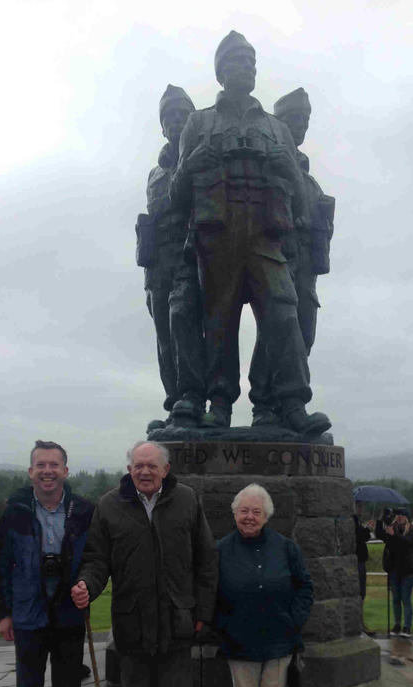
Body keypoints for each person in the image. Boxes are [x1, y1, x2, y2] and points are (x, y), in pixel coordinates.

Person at [170, 31, 330, 435]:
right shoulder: (199, 122)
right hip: (216, 236)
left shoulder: (276, 129)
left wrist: (287, 166)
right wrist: (190, 166)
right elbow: (175, 197)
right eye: (239, 62)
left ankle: (291, 402)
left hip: (265, 235)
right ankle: (219, 404)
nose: (248, 69)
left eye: (253, 63)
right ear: (222, 71)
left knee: (283, 312)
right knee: (218, 320)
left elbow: (300, 200)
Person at [71, 441, 217, 687]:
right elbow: (96, 559)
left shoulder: (187, 500)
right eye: (138, 465)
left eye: (151, 465)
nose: (145, 472)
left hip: (177, 622)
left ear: (165, 469)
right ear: (130, 468)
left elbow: (206, 558)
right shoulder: (109, 506)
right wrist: (88, 584)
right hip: (132, 624)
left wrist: (203, 609)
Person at [0, 440, 95, 687]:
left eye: (54, 465)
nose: (47, 471)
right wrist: (3, 612)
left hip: (69, 616)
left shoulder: (85, 510)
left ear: (66, 471)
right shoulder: (15, 511)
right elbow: (1, 564)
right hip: (29, 617)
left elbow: (95, 559)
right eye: (41, 465)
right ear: (31, 471)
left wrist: (88, 586)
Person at [214, 484, 313, 687]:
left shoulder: (286, 548)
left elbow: (304, 587)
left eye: (256, 512)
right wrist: (224, 624)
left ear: (266, 515)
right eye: (244, 511)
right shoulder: (220, 550)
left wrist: (292, 621)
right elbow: (209, 594)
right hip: (239, 642)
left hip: (278, 642)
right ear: (234, 513)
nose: (249, 517)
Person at [248, 87, 335, 425]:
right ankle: (267, 405)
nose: (301, 126)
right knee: (277, 330)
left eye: (305, 120)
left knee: (303, 334)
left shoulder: (309, 180)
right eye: (294, 119)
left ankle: (284, 407)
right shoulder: (267, 168)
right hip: (272, 258)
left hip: (305, 270)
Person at [136, 85, 206, 430]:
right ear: (162, 127)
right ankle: (174, 403)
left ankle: (192, 399)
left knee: (184, 322)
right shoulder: (155, 174)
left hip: (189, 258)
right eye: (169, 117)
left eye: (182, 115)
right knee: (164, 334)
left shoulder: (199, 160)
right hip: (157, 265)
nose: (176, 122)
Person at [376, 507, 413, 638]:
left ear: (407, 517)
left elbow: (407, 542)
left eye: (402, 515)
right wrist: (380, 520)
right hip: (394, 570)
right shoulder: (391, 530)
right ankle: (397, 624)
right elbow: (379, 535)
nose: (399, 517)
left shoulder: (412, 531)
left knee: (406, 599)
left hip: (408, 571)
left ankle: (407, 627)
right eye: (397, 515)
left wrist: (394, 535)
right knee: (396, 599)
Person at [353, 502, 376, 637]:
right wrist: (367, 529)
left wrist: (366, 529)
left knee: (362, 593)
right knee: (360, 593)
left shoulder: (356, 520)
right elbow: (359, 536)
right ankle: (360, 624)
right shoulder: (353, 520)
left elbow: (364, 537)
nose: (361, 508)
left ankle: (360, 623)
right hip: (357, 561)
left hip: (360, 560)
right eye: (358, 506)